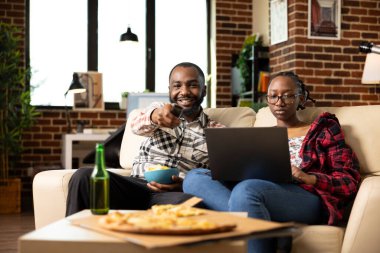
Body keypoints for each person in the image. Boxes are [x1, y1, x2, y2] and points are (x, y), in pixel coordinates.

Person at [183, 71, 361, 253]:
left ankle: (258, 221)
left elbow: (349, 180)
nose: (279, 102)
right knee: (194, 178)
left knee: (247, 190)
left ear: (301, 98)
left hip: (306, 196)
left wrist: (309, 177)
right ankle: (270, 229)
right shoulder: (261, 136)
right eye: (273, 96)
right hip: (257, 189)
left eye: (288, 96)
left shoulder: (323, 130)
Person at [66, 62, 224, 215]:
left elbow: (219, 178)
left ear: (204, 90)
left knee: (192, 203)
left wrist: (184, 185)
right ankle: (73, 241)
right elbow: (136, 125)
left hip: (174, 194)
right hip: (135, 186)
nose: (184, 91)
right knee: (84, 177)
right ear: (170, 90)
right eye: (177, 86)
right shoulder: (158, 110)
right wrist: (156, 116)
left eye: (192, 85)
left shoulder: (218, 131)